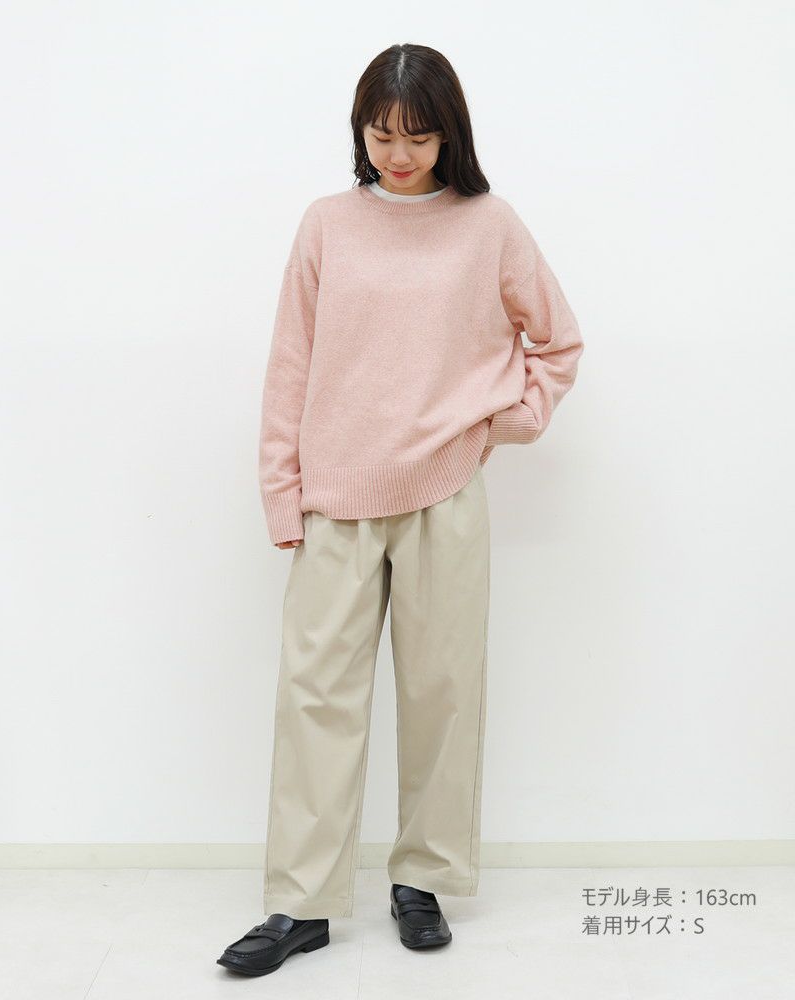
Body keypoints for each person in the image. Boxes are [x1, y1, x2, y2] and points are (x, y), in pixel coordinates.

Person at [217, 41, 584, 977]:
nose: (399, 154)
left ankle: (422, 880)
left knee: (442, 692)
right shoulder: (327, 225)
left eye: (418, 137)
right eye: (382, 135)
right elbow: (291, 364)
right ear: (361, 132)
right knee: (314, 698)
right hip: (337, 492)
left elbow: (558, 342)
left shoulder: (488, 225)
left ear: (448, 133)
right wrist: (283, 492)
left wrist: (505, 420)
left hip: (445, 489)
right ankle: (300, 903)